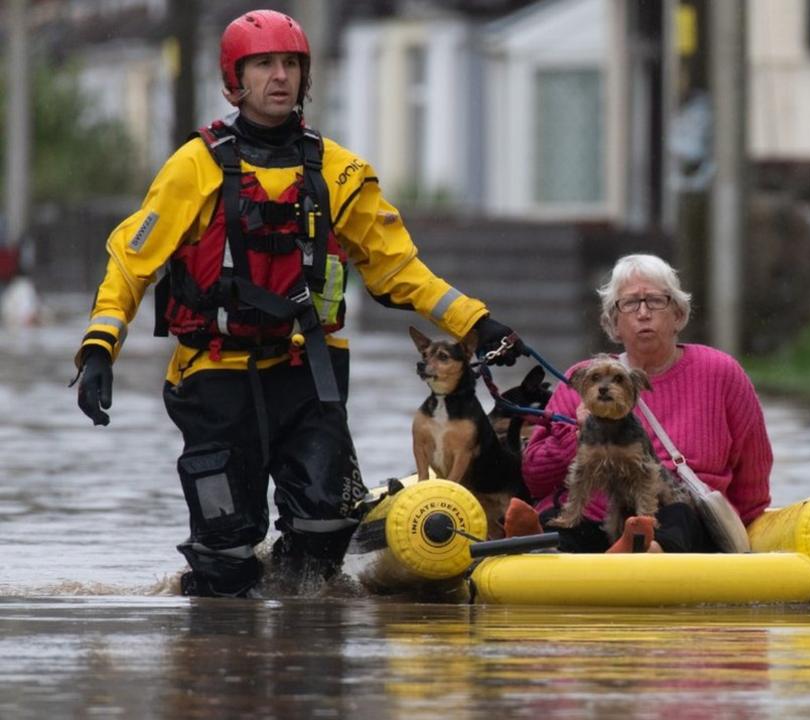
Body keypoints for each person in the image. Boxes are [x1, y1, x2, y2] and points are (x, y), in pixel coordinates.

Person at [71, 9, 525, 598]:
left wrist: (476, 322)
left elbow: (397, 268)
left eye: (290, 64)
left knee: (324, 531)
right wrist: (100, 347)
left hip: (308, 371)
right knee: (226, 557)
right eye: (263, 65)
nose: (279, 76)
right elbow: (132, 261)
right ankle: (225, 634)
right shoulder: (194, 168)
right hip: (215, 374)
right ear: (234, 80)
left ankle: (297, 642)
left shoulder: (340, 172)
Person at [515, 254, 772, 553]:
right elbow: (535, 478)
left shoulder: (721, 372)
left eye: (655, 301)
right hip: (595, 517)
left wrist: (745, 533)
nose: (643, 313)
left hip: (676, 514)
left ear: (677, 315)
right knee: (569, 519)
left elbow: (753, 480)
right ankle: (541, 542)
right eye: (630, 304)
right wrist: (575, 434)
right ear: (614, 321)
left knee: (678, 516)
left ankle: (642, 549)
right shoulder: (582, 379)